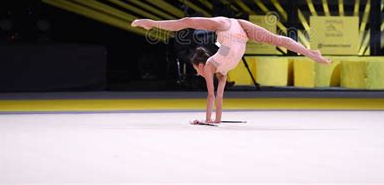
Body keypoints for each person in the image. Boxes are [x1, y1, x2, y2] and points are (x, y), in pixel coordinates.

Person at [131, 16, 331, 124]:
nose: (197, 72)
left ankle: (150, 24)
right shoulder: (221, 71)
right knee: (276, 40)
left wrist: (206, 121)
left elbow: (211, 96)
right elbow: (218, 98)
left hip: (226, 26)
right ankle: (311, 53)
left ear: (199, 66)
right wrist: (212, 121)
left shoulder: (211, 66)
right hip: (239, 34)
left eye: (196, 70)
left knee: (187, 21)